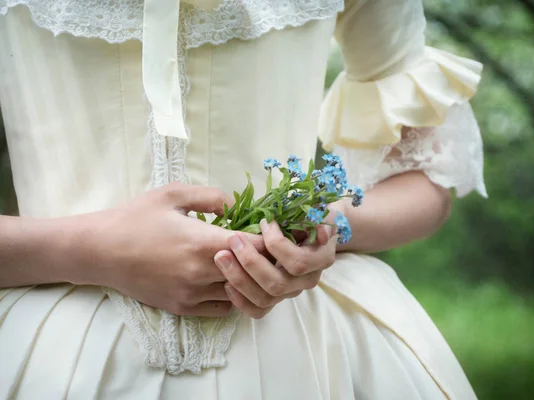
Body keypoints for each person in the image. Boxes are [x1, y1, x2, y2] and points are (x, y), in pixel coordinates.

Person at [0, 0, 486, 398]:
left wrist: (318, 227)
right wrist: (94, 250)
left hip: (308, 342)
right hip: (48, 352)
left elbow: (424, 177)